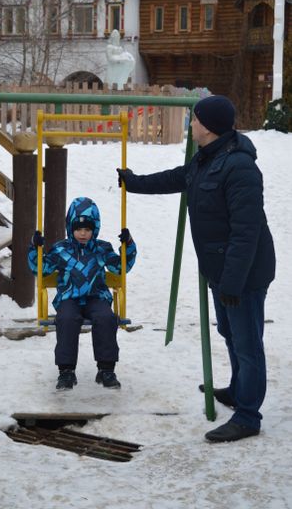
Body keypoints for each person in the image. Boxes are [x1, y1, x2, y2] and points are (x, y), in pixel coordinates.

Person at [117, 95, 276, 443]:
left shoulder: (240, 168)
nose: (191, 124)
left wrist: (233, 283)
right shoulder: (207, 159)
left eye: (195, 119)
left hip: (243, 274)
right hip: (221, 271)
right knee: (231, 335)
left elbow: (246, 231)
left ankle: (248, 416)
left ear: (208, 126)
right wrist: (135, 182)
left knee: (248, 344)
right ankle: (237, 391)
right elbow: (177, 178)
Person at [28, 196, 137, 391]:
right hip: (69, 298)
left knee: (106, 318)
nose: (83, 234)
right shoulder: (61, 249)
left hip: (96, 297)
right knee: (67, 319)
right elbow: (41, 269)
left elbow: (121, 268)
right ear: (71, 228)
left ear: (94, 229)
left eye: (87, 229)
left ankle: (106, 369)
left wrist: (128, 244)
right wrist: (35, 248)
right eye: (78, 229)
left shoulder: (102, 249)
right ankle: (66, 371)